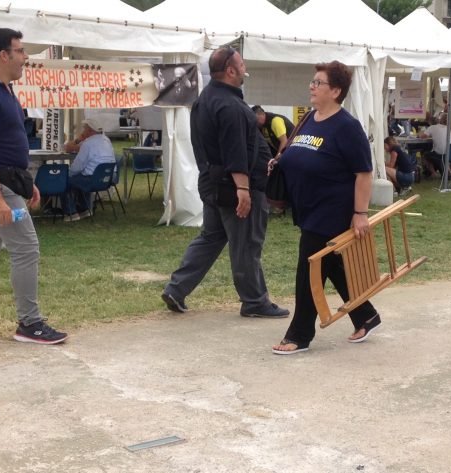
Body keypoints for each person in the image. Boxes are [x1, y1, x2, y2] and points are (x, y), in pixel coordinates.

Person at [161, 46, 289, 319]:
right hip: (234, 188)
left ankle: (176, 288)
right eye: (241, 65)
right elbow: (235, 151)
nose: (244, 69)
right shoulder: (230, 106)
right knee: (246, 244)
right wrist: (243, 188)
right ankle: (254, 301)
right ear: (230, 71)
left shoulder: (205, 99)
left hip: (213, 183)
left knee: (211, 237)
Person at [271, 61, 380, 355]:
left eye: (318, 82)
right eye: (313, 81)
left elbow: (364, 173)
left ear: (335, 91)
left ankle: (300, 334)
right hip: (307, 207)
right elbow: (297, 151)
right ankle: (365, 315)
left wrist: (360, 213)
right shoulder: (310, 118)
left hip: (332, 210)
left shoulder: (347, 127)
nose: (312, 86)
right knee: (329, 264)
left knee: (309, 269)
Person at [0, 28, 67, 344]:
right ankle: (29, 323)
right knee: (26, 246)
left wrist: (26, 184)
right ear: (4, 55)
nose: (26, 57)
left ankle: (29, 322)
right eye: (21, 51)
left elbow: (8, 143)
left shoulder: (4, 89)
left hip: (6, 182)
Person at [62, 118, 115, 222]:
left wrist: (68, 174)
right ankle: (84, 209)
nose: (83, 130)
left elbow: (77, 167)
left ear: (90, 130)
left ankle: (71, 213)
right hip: (107, 179)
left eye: (84, 128)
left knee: (65, 180)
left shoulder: (88, 144)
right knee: (82, 175)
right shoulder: (106, 140)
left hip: (92, 180)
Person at [251, 105, 295, 214]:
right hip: (283, 153)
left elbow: (284, 141)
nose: (255, 122)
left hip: (293, 151)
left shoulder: (275, 121)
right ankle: (279, 203)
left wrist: (276, 159)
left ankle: (285, 205)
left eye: (255, 119)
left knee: (284, 177)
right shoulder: (261, 127)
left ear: (261, 114)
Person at [419, 113, 451, 178]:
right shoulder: (448, 129)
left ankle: (433, 173)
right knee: (433, 155)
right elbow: (450, 142)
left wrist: (420, 133)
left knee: (425, 155)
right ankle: (447, 170)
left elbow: (422, 136)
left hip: (438, 153)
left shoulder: (432, 127)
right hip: (447, 154)